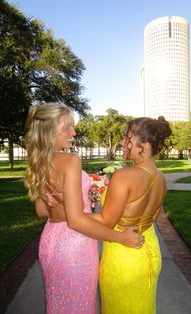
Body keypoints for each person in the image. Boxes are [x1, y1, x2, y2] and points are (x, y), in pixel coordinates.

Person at [24, 102, 143, 314]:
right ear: (50, 131)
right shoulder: (70, 160)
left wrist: (69, 202)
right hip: (74, 246)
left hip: (50, 242)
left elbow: (42, 211)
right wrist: (120, 237)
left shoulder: (38, 161)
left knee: (58, 305)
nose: (74, 132)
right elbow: (76, 220)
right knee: (79, 306)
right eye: (67, 127)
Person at [91, 116, 172, 314]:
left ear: (143, 144)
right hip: (149, 251)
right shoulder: (161, 177)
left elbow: (106, 222)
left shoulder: (124, 175)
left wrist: (72, 211)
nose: (121, 142)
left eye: (126, 138)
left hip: (124, 259)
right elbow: (154, 216)